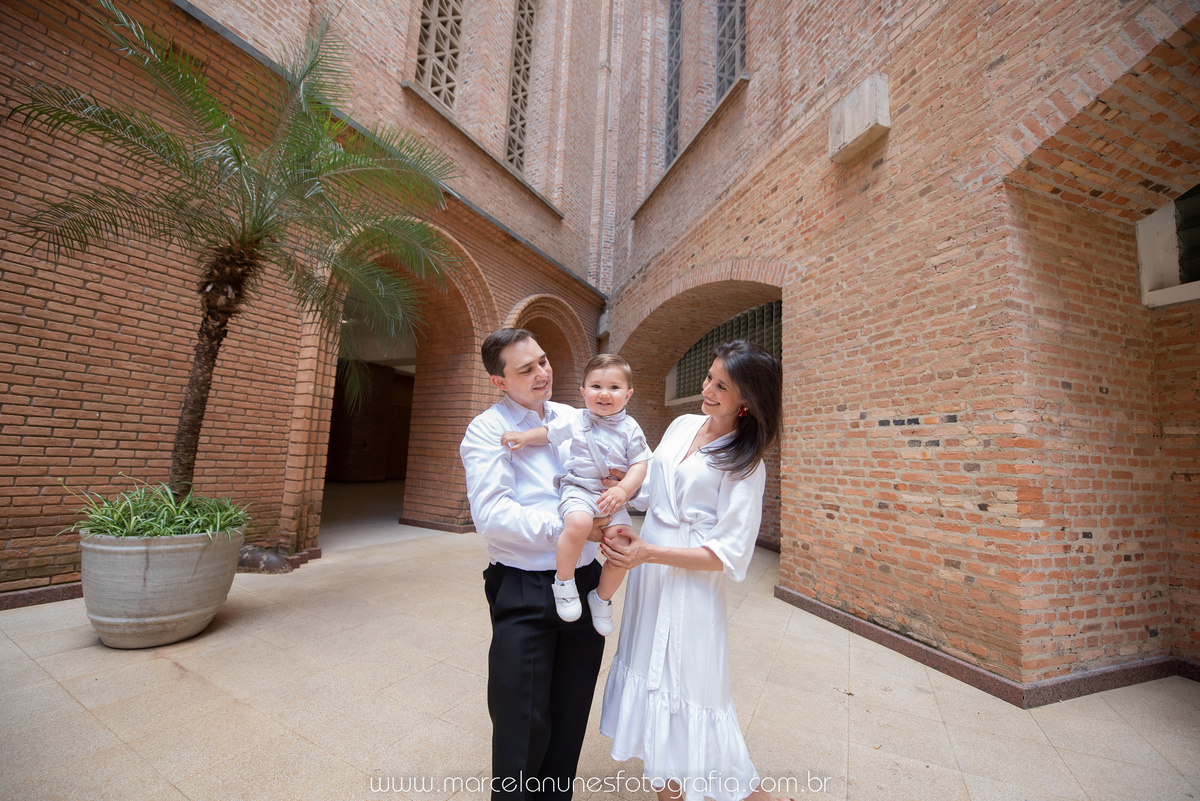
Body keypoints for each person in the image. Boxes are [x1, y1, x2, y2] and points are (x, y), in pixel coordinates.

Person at [598, 340, 785, 801]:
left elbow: (728, 554)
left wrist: (650, 553)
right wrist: (622, 487)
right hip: (649, 573)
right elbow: (655, 491)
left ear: (747, 401)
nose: (707, 390)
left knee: (689, 687)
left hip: (689, 582)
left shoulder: (745, 464)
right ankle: (671, 788)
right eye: (708, 377)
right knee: (650, 672)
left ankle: (751, 795)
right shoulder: (682, 424)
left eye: (722, 386)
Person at [459, 328, 610, 801]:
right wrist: (572, 529)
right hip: (524, 587)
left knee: (571, 709)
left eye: (542, 361)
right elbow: (492, 515)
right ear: (498, 381)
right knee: (521, 719)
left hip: (585, 581)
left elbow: (615, 469)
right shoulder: (486, 430)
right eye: (526, 369)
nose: (542, 372)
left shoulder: (575, 417)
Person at [500, 353, 651, 635]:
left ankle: (601, 598)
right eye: (596, 386)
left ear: (628, 394)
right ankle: (565, 582)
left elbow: (640, 465)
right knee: (579, 523)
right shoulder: (575, 419)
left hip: (611, 497)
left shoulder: (631, 428)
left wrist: (623, 489)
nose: (604, 393)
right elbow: (547, 433)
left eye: (614, 387)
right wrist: (524, 437)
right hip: (579, 489)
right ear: (583, 392)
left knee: (622, 547)